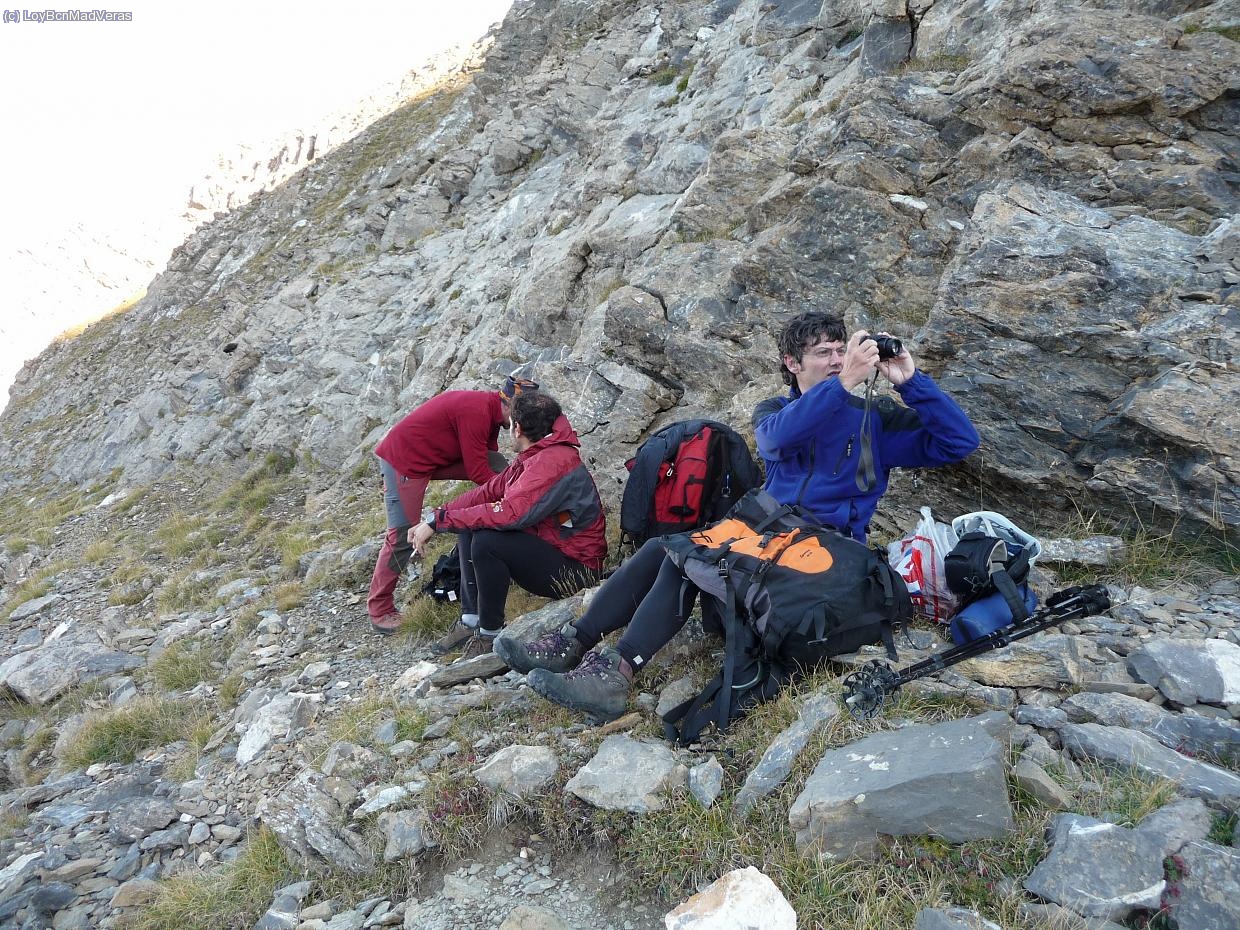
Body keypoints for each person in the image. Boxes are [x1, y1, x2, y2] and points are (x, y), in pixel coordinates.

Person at [496, 311, 979, 720]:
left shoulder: (877, 420)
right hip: (765, 531)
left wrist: (912, 381)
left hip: (821, 548)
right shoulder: (777, 410)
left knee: (686, 557)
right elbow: (776, 441)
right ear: (792, 364)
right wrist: (846, 382)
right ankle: (577, 646)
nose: (836, 361)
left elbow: (960, 441)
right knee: (668, 548)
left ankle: (613, 672)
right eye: (823, 353)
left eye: (840, 350)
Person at [409, 391, 608, 659]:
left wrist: (440, 522)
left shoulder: (551, 462)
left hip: (577, 570)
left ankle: (490, 634)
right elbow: (489, 491)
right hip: (555, 549)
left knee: (488, 542)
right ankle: (471, 621)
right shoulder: (537, 455)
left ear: (517, 428)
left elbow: (511, 514)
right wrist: (436, 517)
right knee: (471, 522)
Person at [366, 374, 538, 635]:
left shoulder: (491, 413)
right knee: (402, 535)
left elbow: (486, 461)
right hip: (404, 461)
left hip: (432, 458)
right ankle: (379, 609)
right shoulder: (477, 413)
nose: (521, 425)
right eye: (520, 416)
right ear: (509, 407)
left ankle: (502, 535)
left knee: (497, 464)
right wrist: (512, 499)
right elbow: (477, 471)